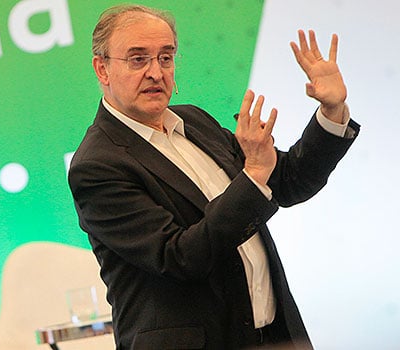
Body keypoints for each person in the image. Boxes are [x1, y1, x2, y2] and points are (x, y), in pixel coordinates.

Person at [67, 4, 359, 350]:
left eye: (165, 57)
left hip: (274, 336)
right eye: (137, 59)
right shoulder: (98, 165)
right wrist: (252, 175)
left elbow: (287, 181)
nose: (156, 73)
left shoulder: (195, 122)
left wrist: (331, 111)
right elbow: (180, 256)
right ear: (102, 69)